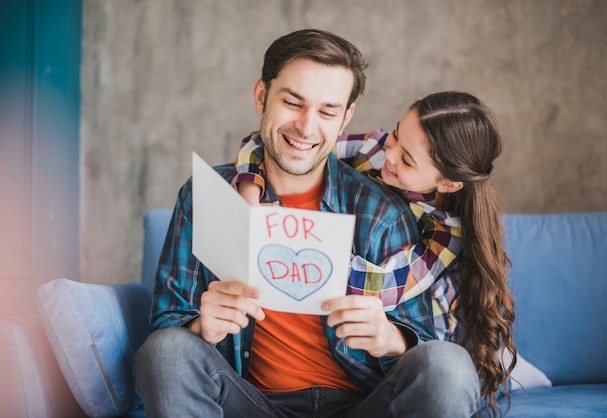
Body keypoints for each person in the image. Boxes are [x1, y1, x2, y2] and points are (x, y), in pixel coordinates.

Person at [133, 29, 480, 418]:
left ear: (345, 118)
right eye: (292, 102)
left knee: (448, 363)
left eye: (327, 112)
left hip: (361, 406)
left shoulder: (382, 211)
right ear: (262, 96)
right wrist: (200, 328)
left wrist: (391, 339)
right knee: (166, 350)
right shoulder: (207, 194)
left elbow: (426, 347)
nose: (306, 126)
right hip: (248, 404)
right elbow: (166, 325)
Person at [234, 90, 517, 417]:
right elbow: (271, 145)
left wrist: (298, 238)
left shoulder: (445, 233)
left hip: (417, 355)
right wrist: (250, 193)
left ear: (449, 184)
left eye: (407, 159)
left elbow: (378, 288)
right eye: (396, 134)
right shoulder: (377, 149)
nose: (390, 155)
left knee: (446, 365)